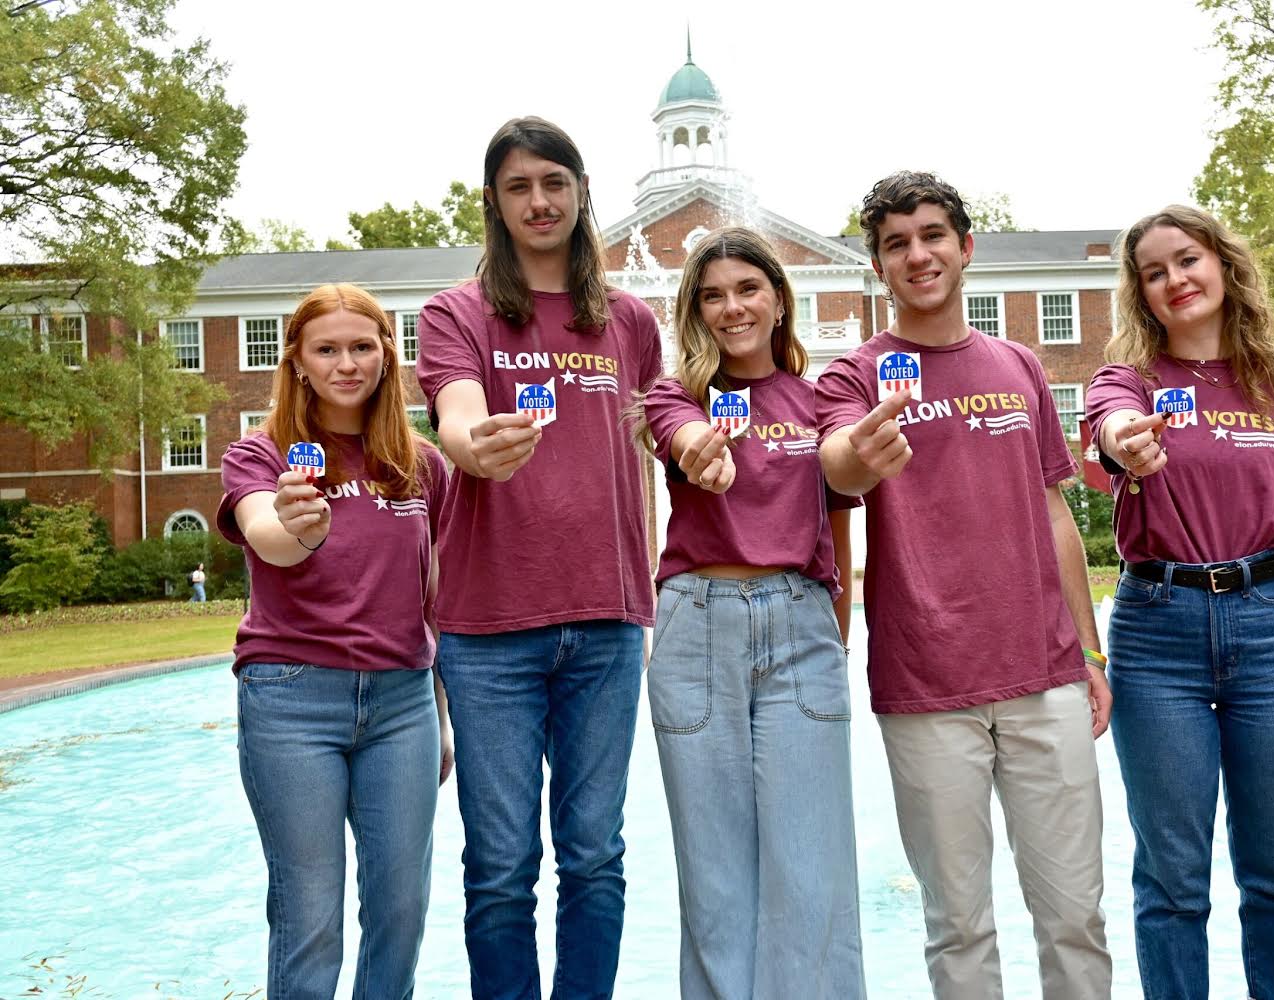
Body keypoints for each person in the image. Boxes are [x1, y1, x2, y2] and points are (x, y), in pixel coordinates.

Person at [816, 171, 1112, 1000]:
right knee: (958, 925)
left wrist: (1088, 648)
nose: (918, 254)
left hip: (1045, 674)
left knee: (1074, 916)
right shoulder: (855, 378)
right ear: (877, 265)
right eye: (896, 243)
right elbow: (836, 458)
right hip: (926, 687)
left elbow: (1055, 512)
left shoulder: (1017, 364)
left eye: (932, 236)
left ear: (964, 247)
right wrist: (860, 448)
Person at [1085, 205, 1274, 1000]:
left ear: (1221, 264)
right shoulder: (1128, 379)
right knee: (1171, 881)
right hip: (1158, 632)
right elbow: (1109, 426)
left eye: (1186, 259)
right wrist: (1125, 439)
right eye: (1152, 271)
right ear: (1140, 293)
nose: (1174, 280)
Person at [415, 116, 661, 999]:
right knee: (501, 865)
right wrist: (475, 442)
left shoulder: (628, 321)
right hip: (489, 633)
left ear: (582, 191)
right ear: (494, 203)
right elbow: (455, 413)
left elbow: (648, 447)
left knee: (595, 855)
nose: (539, 201)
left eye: (554, 182)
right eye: (518, 187)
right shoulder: (456, 312)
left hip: (605, 622)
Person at [638, 227, 865, 999]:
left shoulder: (821, 399)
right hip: (697, 626)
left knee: (814, 861)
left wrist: (835, 630)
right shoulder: (678, 395)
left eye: (746, 289)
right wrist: (703, 446)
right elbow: (680, 436)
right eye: (711, 295)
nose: (730, 307)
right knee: (714, 873)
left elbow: (836, 519)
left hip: (801, 627)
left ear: (777, 300)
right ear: (694, 312)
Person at [217, 283, 453, 1000]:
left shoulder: (422, 465)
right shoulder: (260, 456)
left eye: (361, 346)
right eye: (327, 349)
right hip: (292, 699)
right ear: (298, 361)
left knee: (401, 911)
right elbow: (267, 539)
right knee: (310, 913)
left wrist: (441, 717)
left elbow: (433, 597)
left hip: (401, 704)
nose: (345, 364)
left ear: (386, 355)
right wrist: (298, 526)